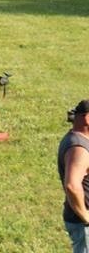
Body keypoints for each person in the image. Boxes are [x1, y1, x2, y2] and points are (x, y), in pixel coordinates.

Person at [59, 99, 89, 252]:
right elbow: (72, 185)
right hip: (83, 224)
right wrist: (86, 217)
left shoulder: (78, 139)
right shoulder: (78, 148)